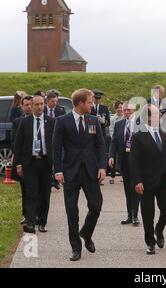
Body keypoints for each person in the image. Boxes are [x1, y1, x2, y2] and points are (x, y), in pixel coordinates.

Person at [53, 89, 107, 261]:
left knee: (96, 205)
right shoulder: (62, 121)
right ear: (80, 103)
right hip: (70, 172)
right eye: (90, 102)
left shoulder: (93, 120)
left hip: (91, 171)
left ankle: (86, 232)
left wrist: (102, 167)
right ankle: (76, 248)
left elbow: (100, 145)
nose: (92, 105)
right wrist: (58, 170)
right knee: (72, 211)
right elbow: (56, 147)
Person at [130, 104, 166, 255]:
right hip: (146, 181)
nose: (161, 117)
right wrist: (137, 181)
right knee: (147, 213)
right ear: (148, 118)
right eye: (158, 115)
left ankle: (160, 229)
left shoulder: (164, 133)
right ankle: (150, 242)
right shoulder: (138, 136)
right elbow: (134, 161)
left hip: (164, 180)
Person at [14, 95, 55, 234]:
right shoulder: (25, 122)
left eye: (41, 104)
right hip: (30, 163)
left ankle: (42, 221)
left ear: (44, 105)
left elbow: (56, 144)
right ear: (31, 105)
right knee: (31, 193)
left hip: (45, 162)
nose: (39, 107)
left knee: (45, 193)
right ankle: (30, 223)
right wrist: (18, 164)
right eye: (36, 104)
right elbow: (18, 144)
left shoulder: (51, 122)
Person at [109, 101, 140, 226]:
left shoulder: (140, 124)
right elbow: (113, 142)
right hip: (124, 159)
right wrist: (111, 156)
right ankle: (129, 214)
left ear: (134, 110)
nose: (126, 112)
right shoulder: (119, 124)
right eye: (124, 110)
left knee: (136, 186)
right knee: (128, 188)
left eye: (129, 110)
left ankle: (135, 215)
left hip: (137, 160)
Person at [11, 95, 33, 225]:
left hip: (38, 161)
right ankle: (26, 214)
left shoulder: (41, 121)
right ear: (22, 106)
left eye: (31, 104)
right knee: (25, 189)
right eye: (26, 105)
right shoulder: (17, 122)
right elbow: (14, 143)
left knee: (38, 189)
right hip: (25, 162)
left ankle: (37, 214)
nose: (29, 107)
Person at [91, 89, 110, 185]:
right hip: (91, 134)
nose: (97, 100)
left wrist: (104, 121)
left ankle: (100, 176)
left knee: (101, 154)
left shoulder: (104, 108)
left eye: (99, 99)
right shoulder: (90, 107)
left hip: (101, 134)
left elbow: (108, 123)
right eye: (96, 98)